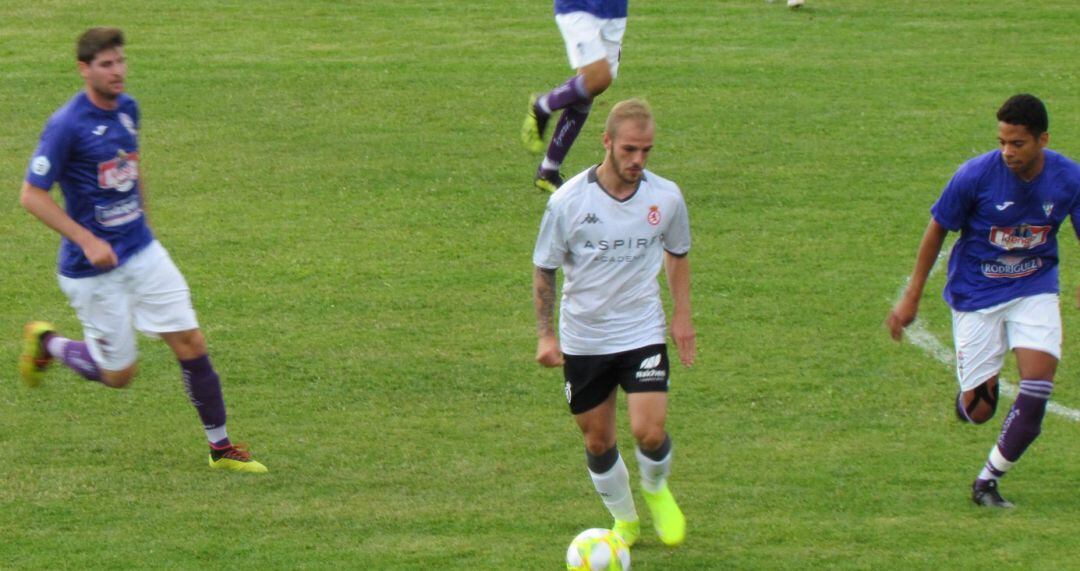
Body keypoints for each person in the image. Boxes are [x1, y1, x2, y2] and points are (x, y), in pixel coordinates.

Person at [17, 27, 267, 474]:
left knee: (190, 340)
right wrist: (89, 240)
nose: (117, 72)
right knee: (120, 376)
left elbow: (130, 168)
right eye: (106, 64)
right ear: (84, 69)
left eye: (120, 61)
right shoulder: (66, 126)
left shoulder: (128, 109)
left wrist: (143, 224)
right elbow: (31, 195)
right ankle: (48, 343)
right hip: (91, 270)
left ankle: (221, 448)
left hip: (141, 251)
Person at [887, 94, 1080, 508]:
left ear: (1042, 139)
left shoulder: (1069, 178)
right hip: (976, 293)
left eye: (1018, 143)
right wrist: (911, 297)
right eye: (1002, 142)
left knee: (1036, 390)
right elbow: (937, 229)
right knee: (980, 411)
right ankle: (971, 399)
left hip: (1035, 287)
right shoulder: (974, 176)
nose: (1008, 152)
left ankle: (987, 481)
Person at [532, 99, 695, 546]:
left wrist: (682, 316)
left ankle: (656, 489)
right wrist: (546, 334)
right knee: (599, 441)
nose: (638, 160)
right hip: (584, 337)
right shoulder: (569, 202)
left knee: (649, 430)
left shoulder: (666, 197)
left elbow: (678, 253)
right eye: (629, 150)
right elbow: (544, 266)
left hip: (641, 329)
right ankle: (625, 521)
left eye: (646, 151)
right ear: (606, 143)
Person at [521, 0, 628, 193]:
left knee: (589, 86)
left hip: (614, 10)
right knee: (598, 78)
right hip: (579, 6)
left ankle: (548, 170)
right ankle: (543, 105)